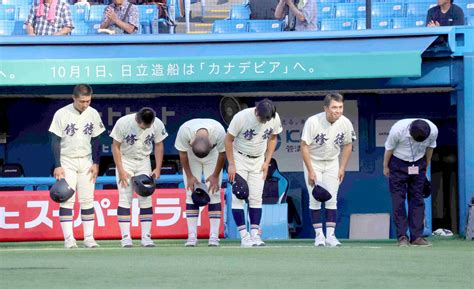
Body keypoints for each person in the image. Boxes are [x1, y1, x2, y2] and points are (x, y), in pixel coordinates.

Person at [48, 84, 105, 248]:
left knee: (87, 200)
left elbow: (96, 139)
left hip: (86, 160)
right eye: (82, 101)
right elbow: (55, 140)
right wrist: (57, 165)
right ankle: (69, 239)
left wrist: (96, 163)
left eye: (88, 101)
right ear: (74, 98)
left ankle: (89, 238)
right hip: (67, 161)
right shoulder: (62, 113)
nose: (85, 104)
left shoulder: (92, 113)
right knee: (66, 199)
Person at [225, 99, 282, 247]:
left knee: (256, 197)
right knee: (239, 195)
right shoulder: (242, 117)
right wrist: (231, 164)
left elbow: (273, 138)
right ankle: (244, 236)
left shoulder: (274, 118)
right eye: (262, 118)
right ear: (256, 111)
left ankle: (255, 235)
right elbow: (228, 139)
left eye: (267, 119)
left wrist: (266, 161)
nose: (264, 122)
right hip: (240, 157)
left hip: (258, 159)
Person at [300, 93, 356, 247]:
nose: (337, 111)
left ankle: (331, 236)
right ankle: (319, 236)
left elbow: (348, 144)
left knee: (332, 199)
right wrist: (311, 170)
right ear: (325, 108)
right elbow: (304, 146)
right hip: (313, 162)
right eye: (334, 107)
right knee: (315, 198)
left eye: (340, 107)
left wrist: (342, 167)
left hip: (332, 162)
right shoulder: (313, 121)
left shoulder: (345, 123)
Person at [110, 107, 167, 247]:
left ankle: (146, 237)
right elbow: (115, 146)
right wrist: (121, 170)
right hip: (125, 160)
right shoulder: (124, 122)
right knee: (125, 198)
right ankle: (125, 237)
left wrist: (158, 167)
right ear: (138, 119)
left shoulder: (157, 123)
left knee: (146, 197)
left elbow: (159, 144)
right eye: (144, 125)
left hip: (144, 161)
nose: (147, 127)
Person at [383, 119, 438, 247]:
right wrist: (385, 166)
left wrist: (426, 166)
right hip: (398, 162)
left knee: (417, 199)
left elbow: (430, 148)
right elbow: (389, 149)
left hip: (419, 162)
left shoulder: (433, 130)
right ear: (409, 132)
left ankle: (417, 237)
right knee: (398, 200)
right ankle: (402, 236)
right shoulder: (397, 130)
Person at [174, 119, 226, 247]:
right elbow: (182, 154)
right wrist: (190, 176)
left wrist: (215, 175)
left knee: (214, 191)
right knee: (191, 192)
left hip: (213, 154)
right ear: (191, 142)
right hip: (191, 155)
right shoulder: (184, 130)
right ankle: (192, 235)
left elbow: (222, 154)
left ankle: (214, 235)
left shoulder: (218, 131)